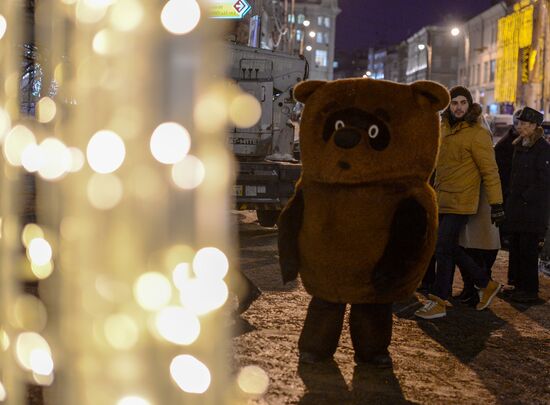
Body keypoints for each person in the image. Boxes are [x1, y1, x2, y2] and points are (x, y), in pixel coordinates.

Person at [415, 86, 503, 319]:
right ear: (449, 106)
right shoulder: (443, 127)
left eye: (463, 102)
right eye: (455, 103)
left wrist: (497, 203)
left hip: (463, 200)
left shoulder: (477, 132)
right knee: (447, 246)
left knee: (443, 247)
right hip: (442, 198)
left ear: (470, 104)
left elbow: (490, 171)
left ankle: (440, 300)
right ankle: (486, 283)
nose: (459, 107)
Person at [504, 107, 550, 303]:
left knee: (528, 250)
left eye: (524, 124)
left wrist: (525, 196)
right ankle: (518, 285)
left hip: (531, 210)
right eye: (519, 123)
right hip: (517, 208)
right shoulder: (519, 144)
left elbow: (544, 179)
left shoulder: (542, 148)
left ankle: (530, 290)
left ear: (534, 126)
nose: (519, 126)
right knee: (516, 247)